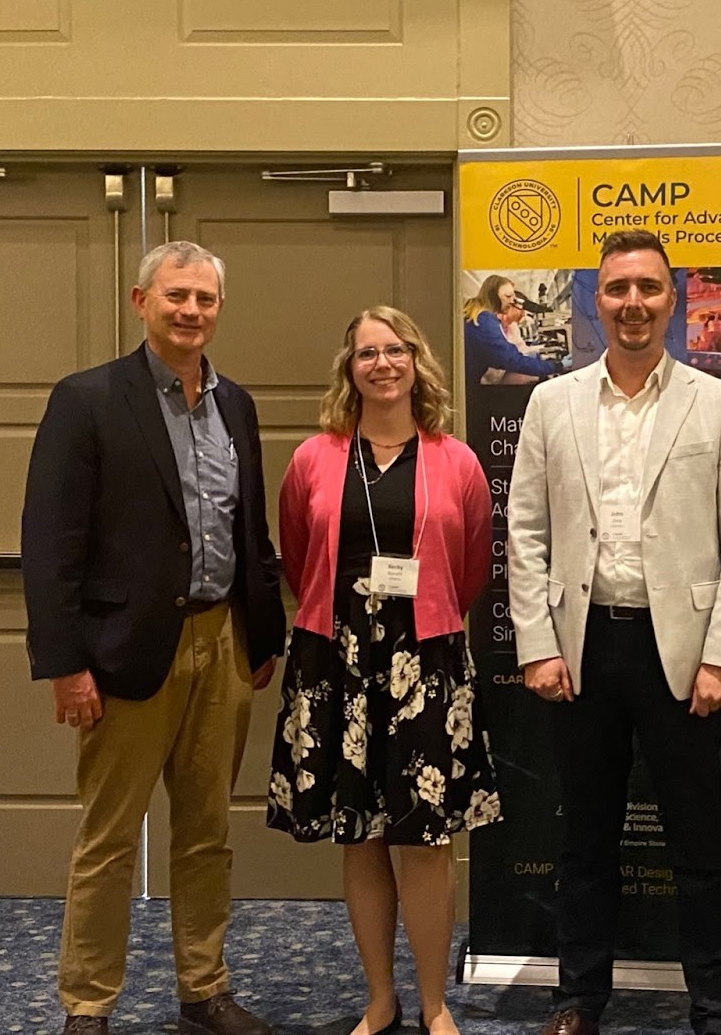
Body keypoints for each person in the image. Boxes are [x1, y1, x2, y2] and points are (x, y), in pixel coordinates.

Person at [507, 229, 721, 1035]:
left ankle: (716, 1006)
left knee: (699, 839)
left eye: (648, 289)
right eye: (617, 288)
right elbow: (524, 530)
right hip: (584, 645)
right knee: (584, 834)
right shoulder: (553, 401)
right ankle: (577, 998)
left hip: (681, 654)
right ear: (597, 300)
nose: (633, 304)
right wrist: (539, 645)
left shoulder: (718, 401)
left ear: (672, 298)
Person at [22, 241, 287, 1035]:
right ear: (141, 301)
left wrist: (261, 635)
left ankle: (204, 989)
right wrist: (65, 664)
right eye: (176, 296)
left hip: (223, 645)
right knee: (107, 841)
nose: (191, 312)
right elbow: (50, 542)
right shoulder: (88, 400)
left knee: (206, 833)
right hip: (127, 654)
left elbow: (251, 530)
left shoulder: (235, 404)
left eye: (205, 299)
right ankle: (88, 1004)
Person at [270, 305, 501, 1035]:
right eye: (366, 352)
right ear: (351, 368)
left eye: (394, 350)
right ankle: (380, 998)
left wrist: (416, 622)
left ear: (416, 362)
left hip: (426, 661)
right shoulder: (313, 457)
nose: (381, 364)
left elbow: (470, 570)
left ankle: (434, 1004)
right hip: (335, 662)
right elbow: (298, 554)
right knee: (360, 833)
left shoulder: (456, 459)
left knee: (426, 841)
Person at [463, 274, 561, 391]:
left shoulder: (479, 316)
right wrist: (555, 366)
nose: (512, 302)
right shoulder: (484, 321)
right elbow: (510, 359)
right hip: (470, 390)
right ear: (493, 296)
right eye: (508, 296)